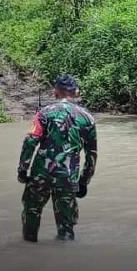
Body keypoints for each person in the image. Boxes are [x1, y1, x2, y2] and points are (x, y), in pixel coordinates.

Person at [18, 74, 97, 242]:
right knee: (66, 229)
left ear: (55, 92)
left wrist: (22, 170)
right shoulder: (87, 118)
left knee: (31, 215)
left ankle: (28, 253)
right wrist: (84, 181)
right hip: (68, 177)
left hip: (40, 175)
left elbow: (30, 142)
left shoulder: (44, 113)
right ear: (76, 92)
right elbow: (92, 155)